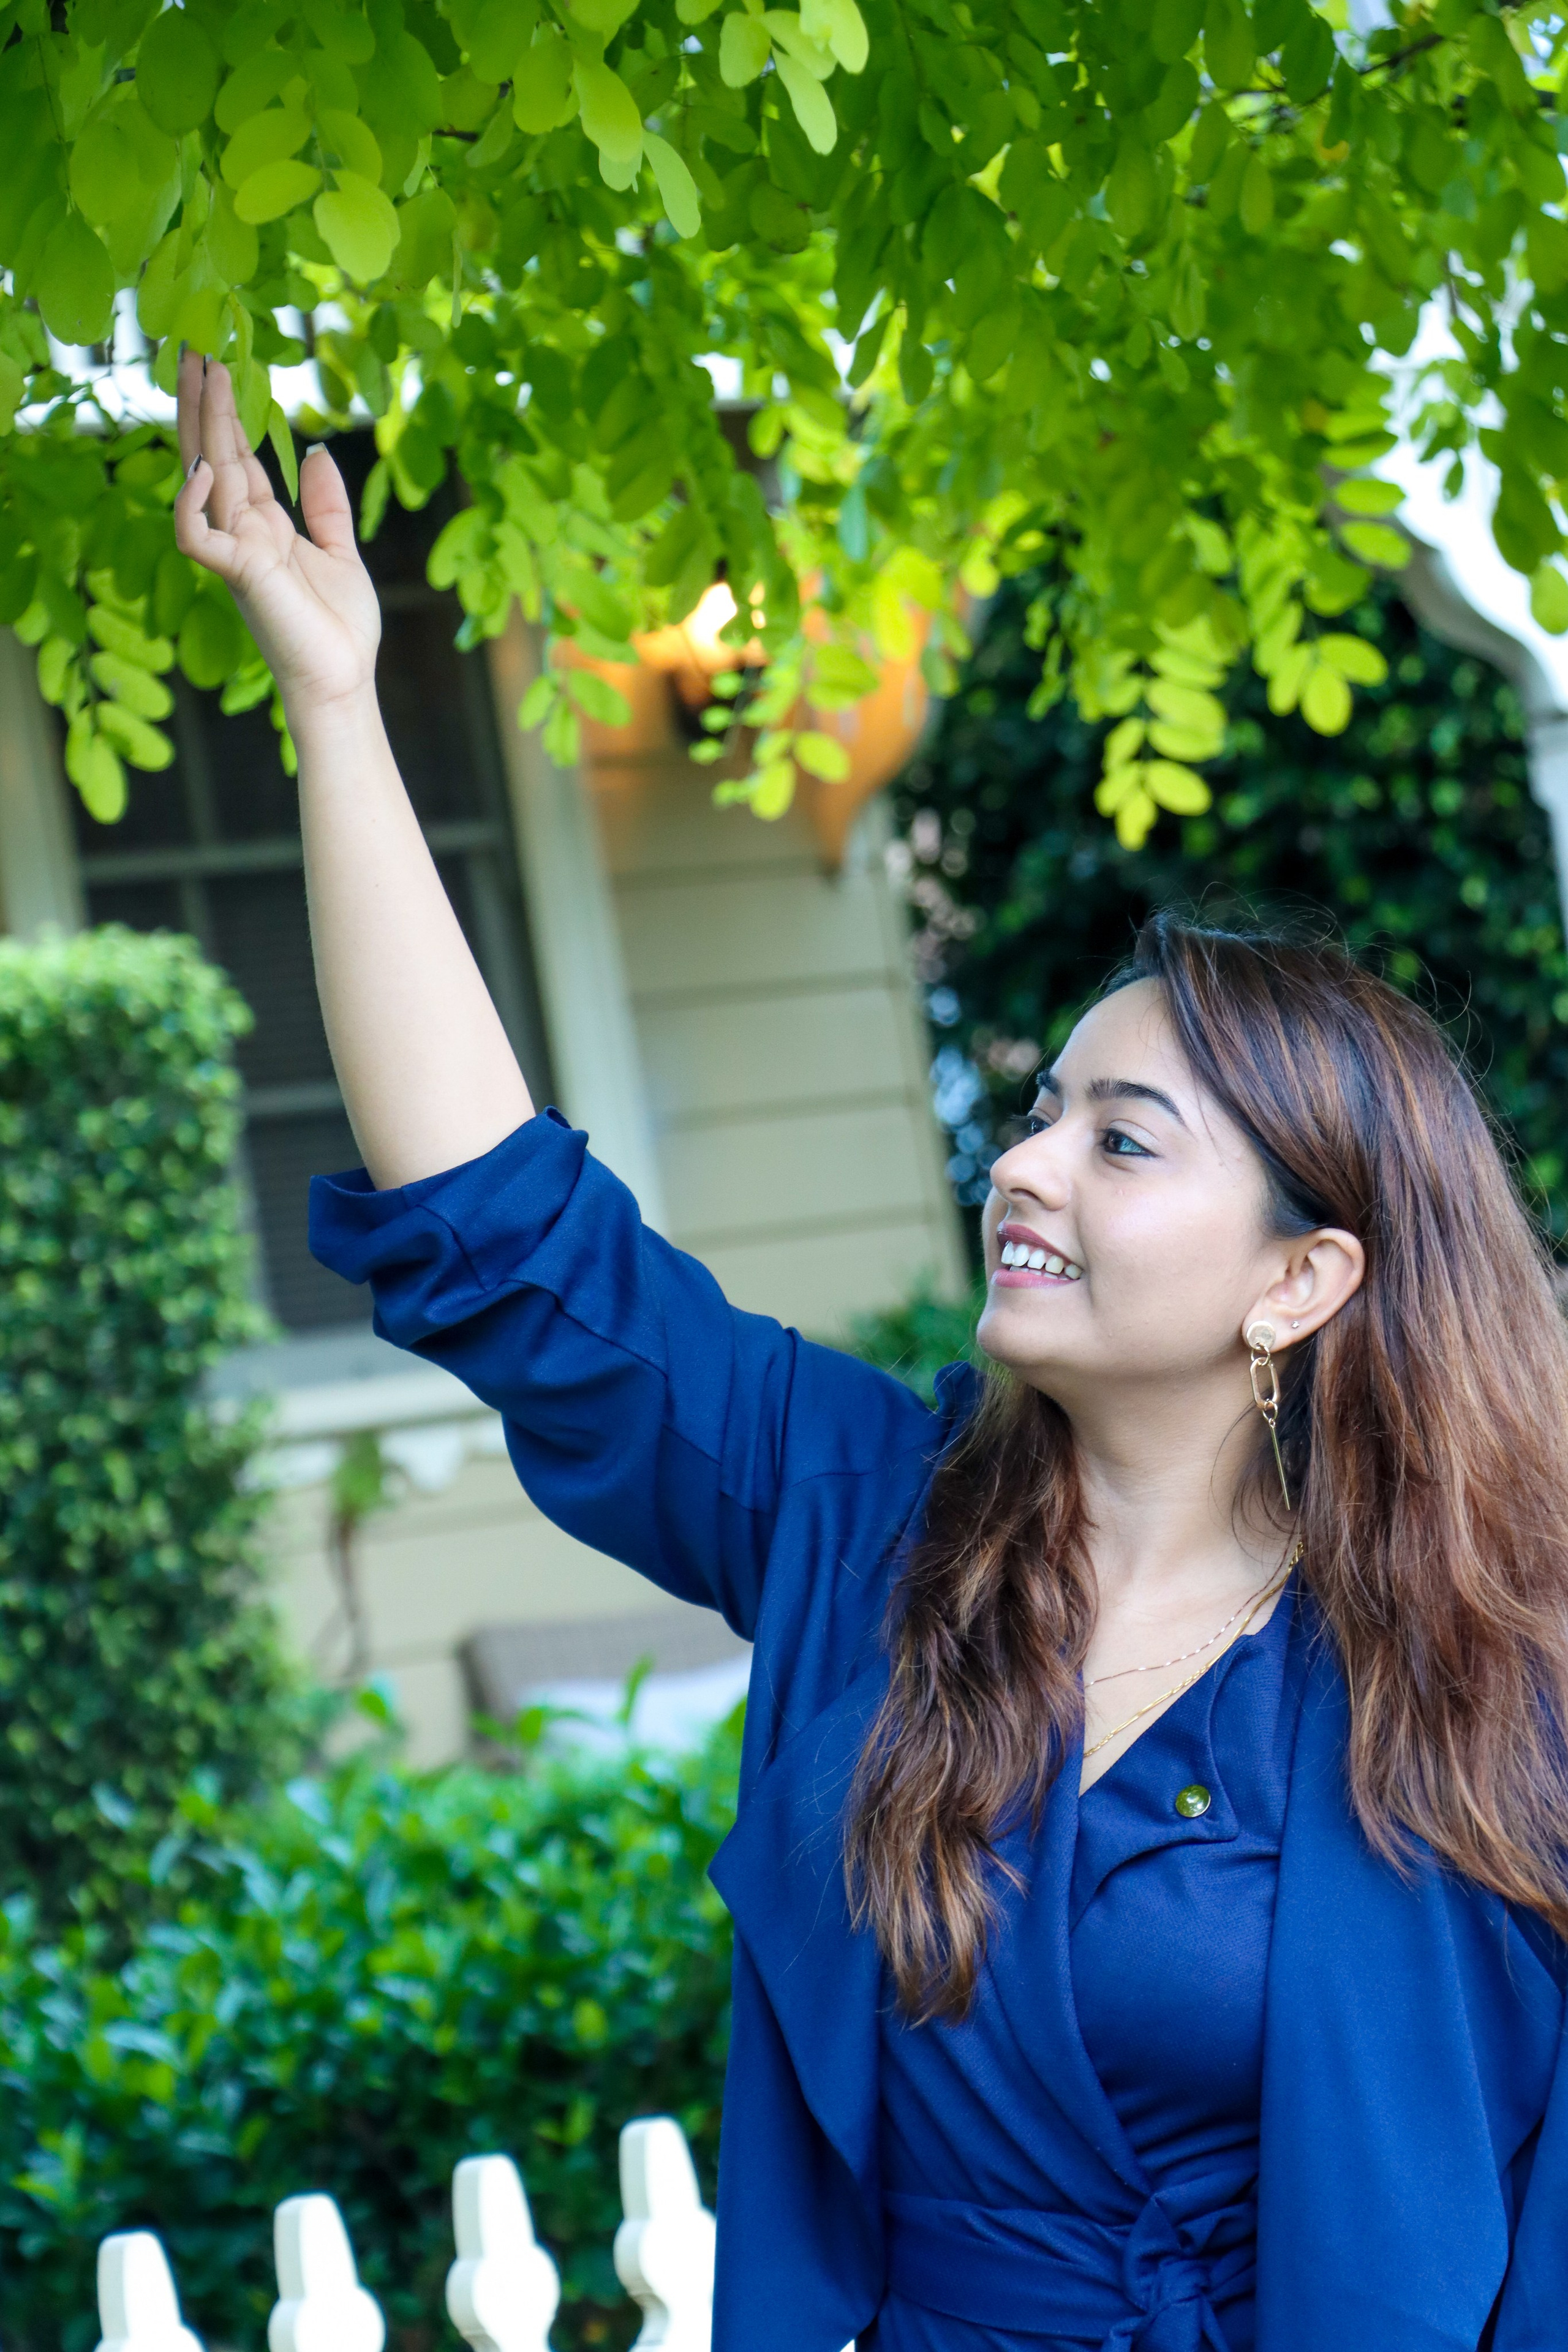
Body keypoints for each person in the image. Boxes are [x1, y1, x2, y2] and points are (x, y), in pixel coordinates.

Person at [175, 353, 1568, 2352]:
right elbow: (506, 1236)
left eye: (1122, 1141)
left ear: (1303, 1280)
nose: (1028, 1166)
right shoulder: (865, 1522)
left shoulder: (1484, 1674)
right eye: (1039, 1110)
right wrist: (334, 707)